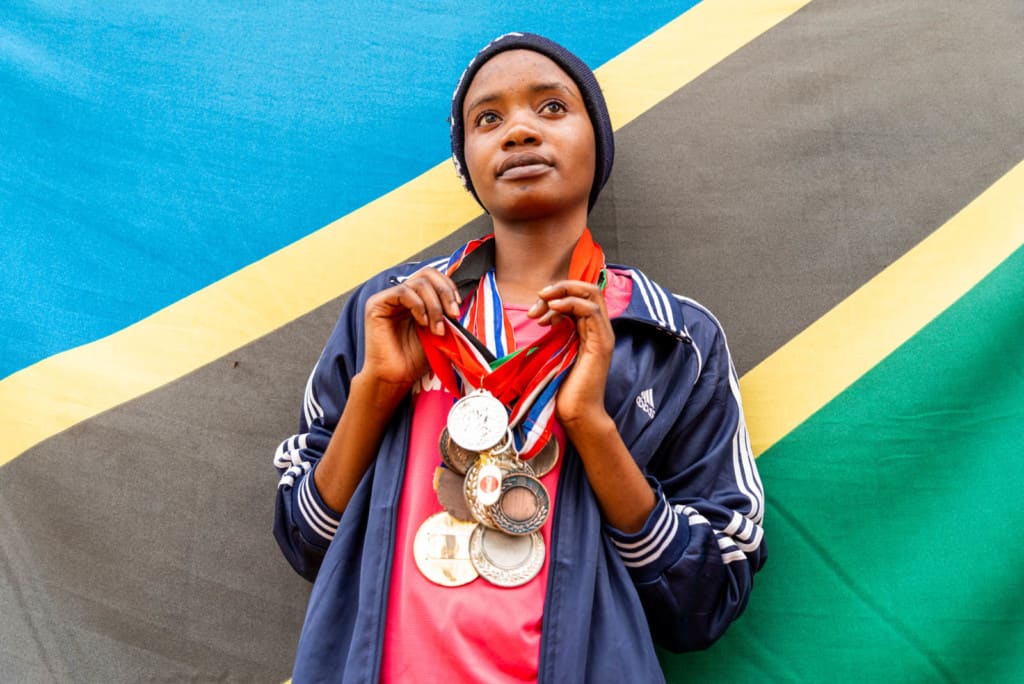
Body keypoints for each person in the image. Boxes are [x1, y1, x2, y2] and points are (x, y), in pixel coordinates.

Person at [273, 32, 765, 683]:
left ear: (599, 139)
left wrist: (592, 424)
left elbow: (707, 601)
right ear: (466, 158)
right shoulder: (391, 313)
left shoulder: (673, 340)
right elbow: (304, 539)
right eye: (488, 119)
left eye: (552, 108)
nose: (519, 132)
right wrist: (377, 389)